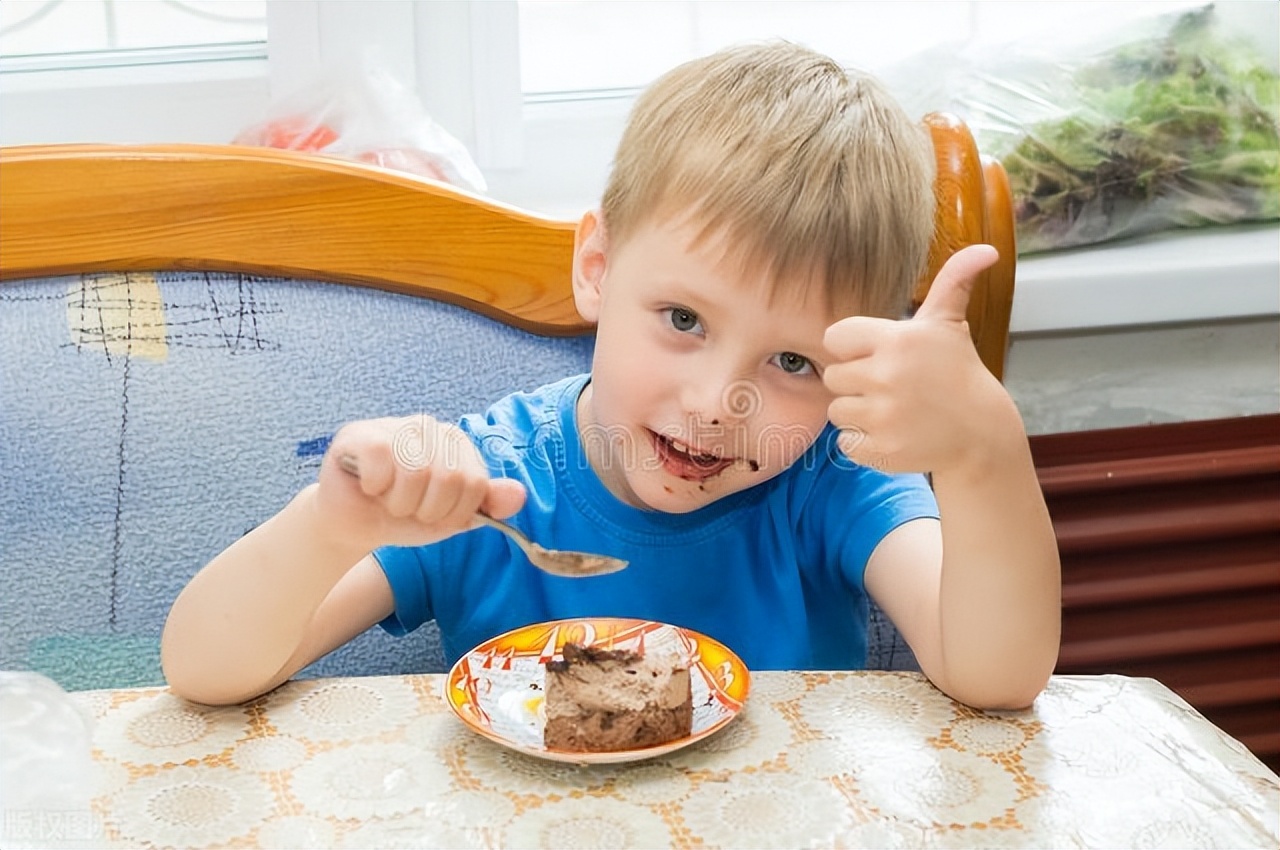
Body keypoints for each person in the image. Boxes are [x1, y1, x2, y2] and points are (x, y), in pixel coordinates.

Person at [161, 41, 1061, 709]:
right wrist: (333, 524)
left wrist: (985, 448)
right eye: (683, 320)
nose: (718, 405)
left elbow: (998, 676)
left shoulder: (832, 479)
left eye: (793, 362)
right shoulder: (486, 483)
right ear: (597, 266)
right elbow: (205, 669)